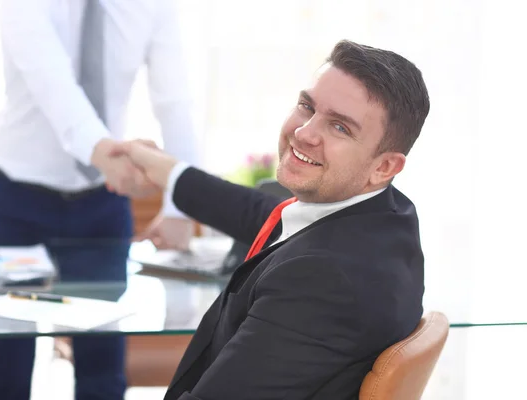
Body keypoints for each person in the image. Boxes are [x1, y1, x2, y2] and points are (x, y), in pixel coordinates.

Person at [115, 39, 430, 399]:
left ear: (385, 166)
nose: (304, 132)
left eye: (340, 127)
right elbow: (262, 214)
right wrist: (162, 170)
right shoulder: (383, 217)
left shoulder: (323, 281)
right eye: (306, 106)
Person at [0, 0, 199, 399]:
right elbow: (52, 83)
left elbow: (175, 99)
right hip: (14, 201)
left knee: (102, 373)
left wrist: (181, 206)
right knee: (6, 372)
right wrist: (102, 153)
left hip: (100, 206)